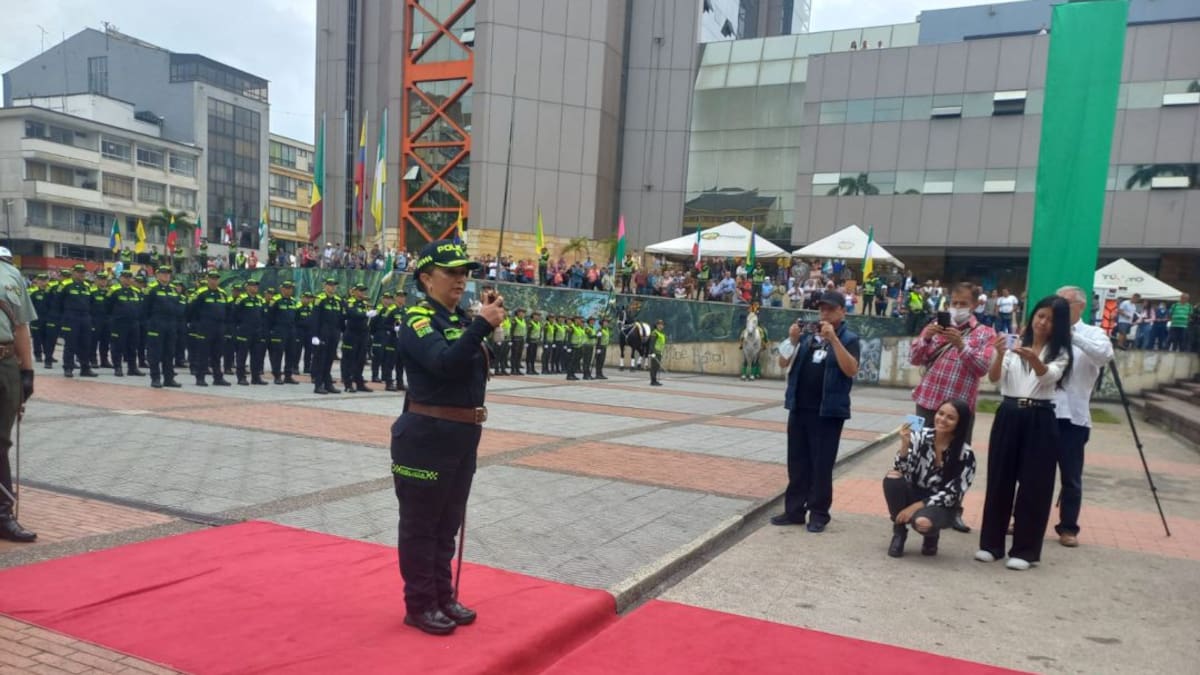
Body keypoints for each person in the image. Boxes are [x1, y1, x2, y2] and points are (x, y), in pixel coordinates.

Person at [393, 239, 504, 636]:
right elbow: (444, 365)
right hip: (426, 436)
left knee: (447, 525)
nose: (461, 280)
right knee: (421, 525)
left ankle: (443, 595)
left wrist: (484, 327)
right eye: (451, 272)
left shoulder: (458, 321)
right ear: (426, 278)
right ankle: (420, 604)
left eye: (464, 272)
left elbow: (475, 366)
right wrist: (479, 326)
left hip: (460, 436)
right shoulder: (418, 319)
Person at [977, 295, 1073, 570]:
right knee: (999, 479)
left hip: (1040, 417)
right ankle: (991, 545)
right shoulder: (1015, 344)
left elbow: (1048, 377)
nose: (1043, 322)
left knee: (1035, 484)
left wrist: (1035, 360)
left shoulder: (1062, 353)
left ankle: (1026, 550)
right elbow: (995, 378)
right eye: (1040, 315)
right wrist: (999, 355)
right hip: (1008, 413)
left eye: (1051, 319)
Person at [908, 282, 995, 533]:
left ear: (976, 304)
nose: (957, 308)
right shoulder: (935, 326)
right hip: (926, 400)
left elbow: (981, 368)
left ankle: (953, 510)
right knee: (917, 448)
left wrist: (961, 345)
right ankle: (915, 504)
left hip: (961, 409)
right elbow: (915, 358)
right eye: (954, 303)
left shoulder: (985, 333)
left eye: (963, 304)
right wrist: (926, 337)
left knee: (957, 458)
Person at [772, 290, 861, 532]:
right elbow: (782, 363)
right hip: (800, 408)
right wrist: (791, 340)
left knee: (821, 464)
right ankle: (794, 511)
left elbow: (851, 369)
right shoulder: (807, 336)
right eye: (822, 309)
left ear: (842, 311)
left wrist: (834, 340)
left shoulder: (849, 338)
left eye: (831, 309)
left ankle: (819, 513)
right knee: (797, 462)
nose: (825, 313)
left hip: (828, 412)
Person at [1053, 286, 1114, 548]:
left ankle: (1068, 527)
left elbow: (1104, 355)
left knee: (1071, 477)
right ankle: (1022, 518)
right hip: (1045, 411)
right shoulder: (1047, 330)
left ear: (1080, 306)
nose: (1059, 308)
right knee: (1034, 472)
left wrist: (1072, 336)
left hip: (1074, 417)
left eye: (1065, 303)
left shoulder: (1094, 333)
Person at [884, 399, 977, 558]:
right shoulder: (920, 436)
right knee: (892, 478)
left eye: (950, 417)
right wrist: (905, 445)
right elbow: (901, 469)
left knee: (922, 523)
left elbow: (953, 494)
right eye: (940, 413)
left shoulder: (966, 454)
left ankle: (931, 536)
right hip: (914, 491)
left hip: (941, 504)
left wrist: (914, 508)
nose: (942, 419)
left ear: (960, 423)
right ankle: (899, 533)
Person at [0, 249, 37, 542]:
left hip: (5, 362)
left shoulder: (11, 274)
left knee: (1, 441)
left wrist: (27, 371)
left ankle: (2, 514)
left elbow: (22, 327)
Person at [187, 271, 232, 387]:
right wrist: (196, 324)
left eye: (216, 279)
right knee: (203, 354)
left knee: (217, 354)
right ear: (208, 280)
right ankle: (200, 377)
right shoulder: (201, 293)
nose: (214, 281)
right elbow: (191, 309)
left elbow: (227, 311)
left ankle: (218, 378)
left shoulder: (222, 294)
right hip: (205, 327)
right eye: (212, 279)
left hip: (219, 327)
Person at [144, 266, 185, 388]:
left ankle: (169, 378)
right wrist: (150, 324)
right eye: (163, 273)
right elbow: (145, 308)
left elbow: (178, 305)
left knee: (169, 352)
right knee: (155, 353)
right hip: (156, 324)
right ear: (157, 275)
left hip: (171, 324)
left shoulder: (173, 290)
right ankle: (155, 378)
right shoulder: (151, 289)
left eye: (168, 274)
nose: (166, 275)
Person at [311, 278, 344, 395]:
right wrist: (314, 335)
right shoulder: (320, 300)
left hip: (334, 334)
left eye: (334, 285)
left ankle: (328, 383)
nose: (332, 287)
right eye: (330, 285)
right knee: (321, 360)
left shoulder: (338, 301)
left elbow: (341, 317)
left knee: (329, 360)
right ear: (325, 286)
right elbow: (315, 318)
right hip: (323, 334)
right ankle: (318, 384)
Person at [233, 279, 268, 386]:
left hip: (257, 331)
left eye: (256, 286)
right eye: (252, 286)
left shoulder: (259, 300)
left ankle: (256, 377)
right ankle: (241, 377)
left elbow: (263, 316)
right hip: (244, 331)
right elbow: (234, 315)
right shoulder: (241, 299)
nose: (255, 288)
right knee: (242, 355)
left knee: (257, 356)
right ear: (247, 287)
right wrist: (239, 328)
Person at [267, 281, 302, 385]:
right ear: (282, 289)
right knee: (278, 354)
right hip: (279, 330)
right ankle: (277, 376)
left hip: (291, 330)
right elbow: (269, 317)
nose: (289, 290)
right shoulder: (275, 300)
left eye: (291, 288)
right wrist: (272, 331)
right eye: (287, 288)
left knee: (291, 353)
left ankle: (288, 375)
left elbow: (297, 317)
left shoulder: (293, 301)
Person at [649, 319, 667, 386]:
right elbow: (651, 344)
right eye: (659, 325)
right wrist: (652, 352)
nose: (661, 326)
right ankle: (653, 381)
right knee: (654, 367)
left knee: (657, 367)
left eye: (662, 325)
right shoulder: (655, 333)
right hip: (655, 352)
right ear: (656, 325)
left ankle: (655, 380)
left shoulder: (661, 333)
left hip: (659, 352)